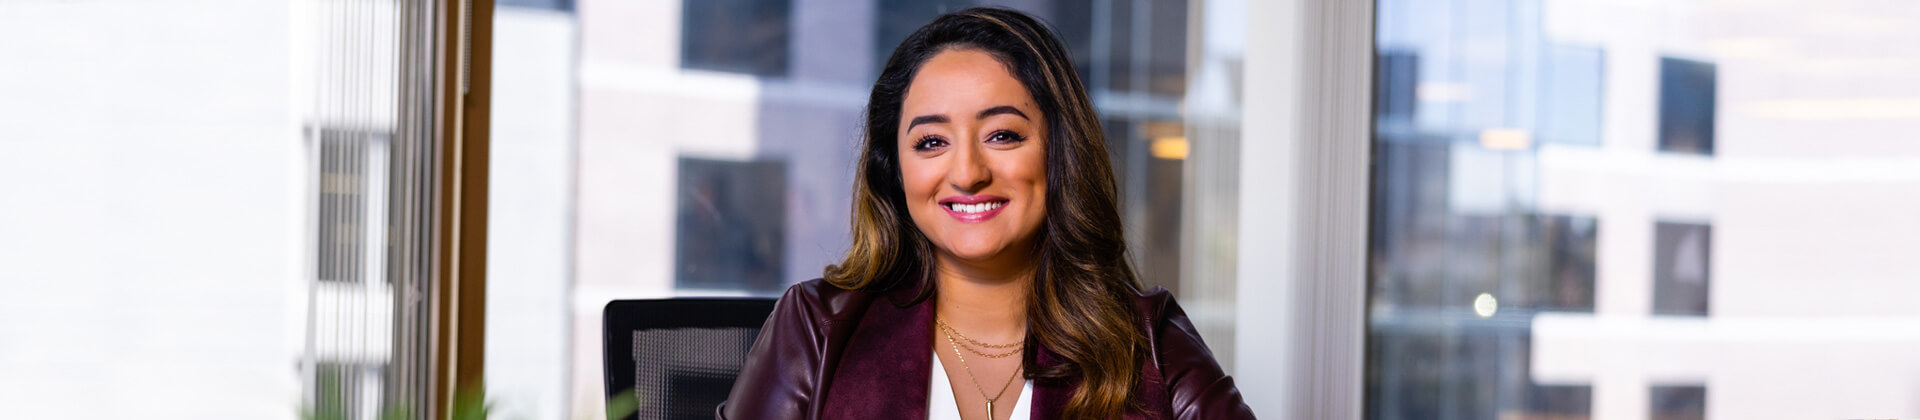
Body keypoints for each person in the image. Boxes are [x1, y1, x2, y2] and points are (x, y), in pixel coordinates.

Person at [718, 7, 1254, 420]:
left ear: (1059, 152)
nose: (967, 172)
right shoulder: (821, 329)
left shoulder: (1149, 343)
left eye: (1002, 134)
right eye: (930, 142)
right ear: (895, 172)